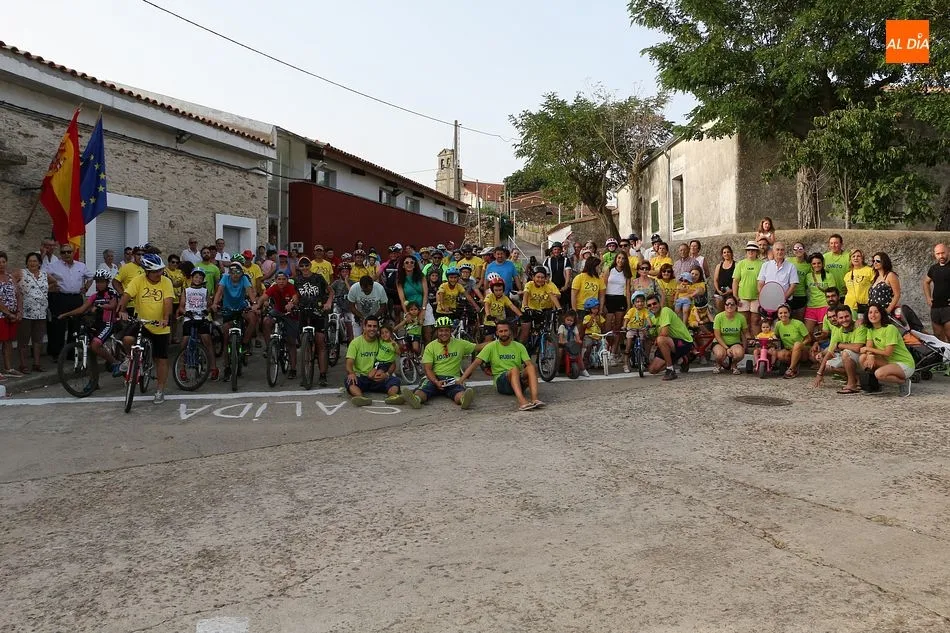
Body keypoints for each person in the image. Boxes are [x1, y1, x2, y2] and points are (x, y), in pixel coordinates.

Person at [117, 254, 174, 403]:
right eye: (155, 271)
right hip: (141, 321)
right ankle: (131, 359)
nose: (159, 274)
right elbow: (126, 294)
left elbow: (168, 301)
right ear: (147, 271)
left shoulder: (166, 282)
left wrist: (165, 318)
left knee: (160, 359)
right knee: (127, 339)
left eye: (160, 270)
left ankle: (160, 390)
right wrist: (122, 310)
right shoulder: (138, 280)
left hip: (160, 324)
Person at [460, 320, 543, 411]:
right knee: (514, 369)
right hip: (502, 382)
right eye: (501, 331)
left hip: (518, 380)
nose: (503, 333)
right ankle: (522, 402)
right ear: (497, 333)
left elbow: (529, 366)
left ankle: (535, 399)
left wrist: (529, 375)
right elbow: (475, 364)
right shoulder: (491, 346)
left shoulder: (519, 346)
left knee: (531, 367)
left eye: (505, 331)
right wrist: (461, 380)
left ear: (510, 331)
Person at [403, 316, 478, 410]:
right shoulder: (430, 346)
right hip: (435, 377)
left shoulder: (460, 343)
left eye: (446, 330)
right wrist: (436, 381)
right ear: (437, 331)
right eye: (441, 330)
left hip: (452, 378)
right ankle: (416, 399)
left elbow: (478, 347)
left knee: (458, 390)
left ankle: (464, 400)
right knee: (424, 389)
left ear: (451, 331)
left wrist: (496, 341)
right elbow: (428, 369)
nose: (444, 333)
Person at [59, 270, 122, 379]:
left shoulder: (111, 293)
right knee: (91, 351)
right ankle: (93, 382)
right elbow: (82, 309)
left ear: (107, 282)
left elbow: (113, 306)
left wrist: (99, 306)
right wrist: (65, 314)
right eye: (97, 282)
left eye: (102, 282)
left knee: (95, 345)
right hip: (96, 325)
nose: (99, 284)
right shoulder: (94, 296)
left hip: (108, 324)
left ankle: (115, 363)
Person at [212, 262, 260, 382]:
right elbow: (219, 292)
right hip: (228, 309)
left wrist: (254, 305)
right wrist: (215, 303)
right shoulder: (225, 278)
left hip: (241, 308)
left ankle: (245, 342)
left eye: (238, 272)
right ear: (229, 272)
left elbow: (250, 292)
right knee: (225, 337)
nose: (235, 275)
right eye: (232, 272)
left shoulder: (244, 279)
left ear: (241, 272)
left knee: (253, 318)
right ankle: (227, 367)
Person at [45, 242, 93, 359]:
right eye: (63, 252)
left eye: (69, 252)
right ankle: (57, 354)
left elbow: (92, 276)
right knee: (58, 327)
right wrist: (51, 286)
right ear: (60, 254)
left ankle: (72, 353)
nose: (66, 254)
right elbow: (42, 274)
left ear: (73, 253)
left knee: (75, 326)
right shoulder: (54, 266)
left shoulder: (81, 266)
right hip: (60, 298)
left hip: (76, 298)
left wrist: (86, 287)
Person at [344, 315, 404, 407]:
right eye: (369, 326)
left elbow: (392, 364)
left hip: (378, 378)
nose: (372, 329)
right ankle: (361, 398)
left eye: (375, 326)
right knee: (349, 380)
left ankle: (394, 397)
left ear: (378, 328)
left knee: (395, 381)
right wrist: (351, 373)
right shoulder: (355, 342)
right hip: (362, 377)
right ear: (364, 327)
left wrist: (386, 374)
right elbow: (349, 362)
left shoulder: (383, 342)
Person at [860, 303, 915, 396]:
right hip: (889, 362)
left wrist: (869, 350)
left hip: (903, 363)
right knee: (863, 357)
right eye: (870, 312)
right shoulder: (870, 329)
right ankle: (874, 386)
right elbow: (869, 347)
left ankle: (903, 382)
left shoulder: (890, 328)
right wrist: (870, 355)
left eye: (876, 312)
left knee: (879, 374)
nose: (873, 315)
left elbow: (887, 352)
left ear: (881, 314)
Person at [295, 261, 335, 386]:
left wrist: (328, 303)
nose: (305, 268)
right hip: (303, 312)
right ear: (299, 268)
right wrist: (292, 303)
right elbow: (296, 295)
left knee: (320, 341)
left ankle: (322, 375)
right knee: (303, 343)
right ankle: (305, 374)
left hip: (318, 311)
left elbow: (331, 292)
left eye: (307, 265)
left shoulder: (318, 278)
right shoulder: (297, 280)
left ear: (310, 266)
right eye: (302, 266)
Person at [814, 305, 867, 394]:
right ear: (838, 319)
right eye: (841, 318)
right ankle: (856, 378)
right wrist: (819, 373)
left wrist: (840, 345)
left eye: (846, 316)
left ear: (851, 316)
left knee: (846, 353)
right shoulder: (839, 331)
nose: (844, 320)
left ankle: (851, 385)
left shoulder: (859, 326)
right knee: (827, 365)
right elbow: (830, 352)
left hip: (864, 361)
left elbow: (857, 348)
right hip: (852, 360)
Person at [14, 252, 52, 374]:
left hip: (41, 313)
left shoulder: (44, 275)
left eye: (35, 261)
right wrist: (17, 291)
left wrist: (44, 292)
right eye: (30, 261)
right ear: (26, 263)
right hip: (25, 312)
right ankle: (23, 365)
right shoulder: (22, 273)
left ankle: (37, 364)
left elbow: (55, 282)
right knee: (23, 340)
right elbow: (10, 280)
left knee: (38, 340)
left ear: (39, 263)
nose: (32, 263)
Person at [178, 268, 218, 381]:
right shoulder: (186, 290)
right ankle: (182, 368)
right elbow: (181, 306)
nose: (198, 279)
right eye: (196, 277)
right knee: (185, 341)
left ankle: (214, 368)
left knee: (207, 340)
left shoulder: (205, 291)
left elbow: (209, 306)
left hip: (201, 317)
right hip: (189, 318)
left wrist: (207, 310)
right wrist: (186, 312)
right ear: (192, 278)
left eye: (200, 277)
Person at [258, 271, 299, 379]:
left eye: (283, 279)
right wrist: (257, 305)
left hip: (290, 313)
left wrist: (291, 304)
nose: (281, 281)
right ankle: (269, 347)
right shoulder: (274, 287)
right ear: (275, 280)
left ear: (287, 279)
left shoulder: (290, 287)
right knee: (266, 321)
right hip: (277, 311)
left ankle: (293, 369)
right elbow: (264, 297)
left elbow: (295, 297)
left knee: (291, 342)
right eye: (279, 279)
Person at [645, 294, 693, 380]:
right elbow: (652, 337)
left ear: (659, 303)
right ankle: (682, 359)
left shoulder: (665, 311)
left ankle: (670, 369)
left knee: (660, 339)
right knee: (652, 370)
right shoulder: (652, 319)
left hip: (683, 342)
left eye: (654, 303)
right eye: (649, 305)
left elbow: (664, 333)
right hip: (670, 344)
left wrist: (656, 339)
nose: (652, 306)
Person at [601, 250, 632, 362]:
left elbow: (628, 291)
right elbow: (603, 288)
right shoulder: (609, 270)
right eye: (619, 258)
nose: (620, 260)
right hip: (609, 299)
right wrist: (602, 304)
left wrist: (629, 306)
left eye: (623, 258)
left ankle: (614, 353)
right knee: (608, 328)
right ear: (616, 259)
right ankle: (609, 348)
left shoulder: (627, 273)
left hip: (620, 299)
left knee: (618, 328)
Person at [520, 266, 562, 342]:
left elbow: (552, 296)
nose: (540, 279)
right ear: (533, 277)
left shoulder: (546, 286)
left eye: (542, 277)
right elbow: (525, 295)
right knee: (525, 333)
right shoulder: (529, 284)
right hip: (527, 310)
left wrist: (559, 308)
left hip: (538, 311)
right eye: (538, 277)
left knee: (540, 330)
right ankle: (521, 348)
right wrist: (526, 306)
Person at [732, 241, 764, 335]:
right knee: (744, 321)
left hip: (757, 297)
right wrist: (735, 296)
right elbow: (735, 281)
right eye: (749, 250)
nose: (751, 252)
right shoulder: (741, 264)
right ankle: (746, 341)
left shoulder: (762, 264)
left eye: (753, 250)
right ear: (746, 252)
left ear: (757, 252)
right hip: (742, 296)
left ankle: (755, 340)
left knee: (755, 320)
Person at [711, 295, 748, 374]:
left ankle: (733, 365)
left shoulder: (741, 318)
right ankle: (718, 364)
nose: (729, 306)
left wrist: (745, 346)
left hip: (735, 342)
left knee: (739, 353)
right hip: (720, 342)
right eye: (727, 304)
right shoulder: (718, 317)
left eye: (732, 304)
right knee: (719, 354)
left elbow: (745, 333)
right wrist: (727, 348)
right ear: (724, 305)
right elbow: (717, 335)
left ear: (736, 305)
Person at [0, 251, 22, 379]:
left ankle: (8, 368)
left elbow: (18, 295)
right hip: (2, 316)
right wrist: (8, 313)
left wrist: (19, 311)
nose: (1, 264)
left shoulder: (11, 277)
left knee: (8, 342)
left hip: (11, 316)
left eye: (3, 262)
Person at [773, 304, 811, 378]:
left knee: (797, 344)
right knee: (780, 354)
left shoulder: (798, 323)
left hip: (802, 351)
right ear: (778, 315)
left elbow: (808, 339)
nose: (783, 315)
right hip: (789, 350)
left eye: (785, 313)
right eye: (780, 313)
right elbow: (776, 337)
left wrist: (799, 346)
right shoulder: (778, 325)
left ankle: (791, 369)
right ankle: (793, 365)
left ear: (789, 313)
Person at [923, 243, 950, 342]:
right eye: (938, 254)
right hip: (935, 308)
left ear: (948, 252)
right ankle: (943, 357)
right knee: (938, 338)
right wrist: (928, 298)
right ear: (935, 255)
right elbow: (926, 282)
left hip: (948, 307)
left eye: (943, 253)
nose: (941, 256)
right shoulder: (933, 268)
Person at [802, 252, 834, 335]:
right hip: (811, 307)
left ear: (822, 263)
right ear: (811, 265)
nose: (816, 265)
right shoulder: (808, 276)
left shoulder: (828, 275)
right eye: (814, 263)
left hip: (824, 306)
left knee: (823, 334)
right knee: (807, 333)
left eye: (819, 263)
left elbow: (833, 292)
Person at [622, 291, 653, 372]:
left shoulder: (645, 310)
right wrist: (624, 326)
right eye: (637, 301)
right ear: (634, 303)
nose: (640, 303)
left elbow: (648, 318)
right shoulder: (632, 310)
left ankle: (642, 359)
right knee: (628, 346)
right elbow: (626, 319)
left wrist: (650, 324)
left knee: (642, 344)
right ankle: (625, 363)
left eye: (642, 301)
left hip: (640, 329)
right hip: (631, 329)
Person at [483, 276, 521, 342]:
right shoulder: (489, 296)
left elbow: (512, 306)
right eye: (496, 290)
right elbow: (486, 305)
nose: (498, 292)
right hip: (490, 322)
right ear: (492, 290)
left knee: (508, 338)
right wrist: (488, 315)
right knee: (488, 342)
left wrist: (520, 315)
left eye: (500, 290)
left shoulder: (504, 298)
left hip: (501, 322)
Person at [557, 309, 589, 377]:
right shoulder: (562, 327)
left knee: (578, 354)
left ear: (574, 321)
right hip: (563, 344)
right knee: (560, 352)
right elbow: (561, 337)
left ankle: (583, 369)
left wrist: (578, 341)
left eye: (571, 321)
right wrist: (563, 341)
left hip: (571, 345)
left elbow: (577, 337)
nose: (569, 322)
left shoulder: (574, 328)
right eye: (568, 320)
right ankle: (556, 368)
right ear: (564, 319)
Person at [868, 252, 901, 316]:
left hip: (885, 312)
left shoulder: (890, 275)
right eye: (873, 261)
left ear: (884, 262)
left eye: (878, 261)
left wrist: (888, 310)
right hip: (875, 313)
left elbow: (897, 295)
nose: (875, 262)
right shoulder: (876, 277)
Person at [542, 241, 573, 309]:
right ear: (552, 250)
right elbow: (545, 274)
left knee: (563, 305)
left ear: (561, 250)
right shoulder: (548, 260)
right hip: (551, 286)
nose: (557, 251)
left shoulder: (566, 260)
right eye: (555, 249)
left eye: (558, 249)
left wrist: (565, 285)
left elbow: (568, 274)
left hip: (562, 286)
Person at [843, 250, 873, 319]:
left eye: (858, 256)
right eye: (853, 256)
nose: (856, 258)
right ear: (850, 259)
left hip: (864, 305)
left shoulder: (870, 271)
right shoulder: (847, 275)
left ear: (862, 258)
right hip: (849, 306)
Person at [788, 242, 811, 320]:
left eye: (800, 248)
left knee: (799, 321)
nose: (798, 250)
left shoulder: (808, 265)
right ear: (793, 251)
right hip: (789, 295)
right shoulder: (788, 261)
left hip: (801, 295)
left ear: (804, 250)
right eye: (795, 249)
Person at [712, 245, 735, 312]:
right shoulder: (719, 266)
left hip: (731, 291)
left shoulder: (736, 265)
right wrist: (718, 290)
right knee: (719, 302)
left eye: (728, 252)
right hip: (720, 291)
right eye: (724, 252)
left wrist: (731, 290)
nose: (726, 254)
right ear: (722, 254)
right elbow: (715, 280)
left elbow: (738, 280)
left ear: (731, 253)